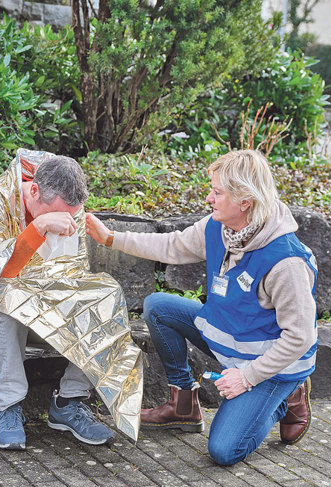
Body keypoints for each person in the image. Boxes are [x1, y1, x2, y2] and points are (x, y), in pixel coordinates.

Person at [85, 149, 317, 466]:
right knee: (157, 307)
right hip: (229, 340)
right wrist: (109, 237)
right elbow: (170, 245)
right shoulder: (218, 227)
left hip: (270, 367)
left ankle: (287, 397)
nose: (209, 198)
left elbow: (300, 337)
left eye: (217, 192)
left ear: (245, 201)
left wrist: (247, 378)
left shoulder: (285, 262)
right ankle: (183, 404)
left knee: (224, 451)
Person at [0, 149, 144, 451]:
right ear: (33, 191)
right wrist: (37, 228)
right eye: (57, 215)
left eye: (71, 216)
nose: (66, 223)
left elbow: (75, 272)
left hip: (50, 307)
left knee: (106, 293)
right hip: (1, 312)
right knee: (7, 296)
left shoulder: (69, 205)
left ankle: (69, 401)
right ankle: (9, 406)